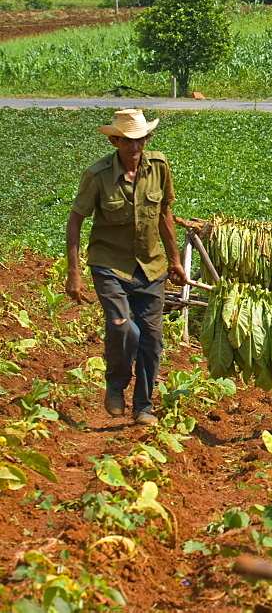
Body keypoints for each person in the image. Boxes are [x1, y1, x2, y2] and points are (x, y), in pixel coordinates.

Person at [65, 109, 187, 426]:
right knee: (122, 326)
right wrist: (74, 272)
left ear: (147, 138)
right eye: (128, 142)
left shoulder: (158, 167)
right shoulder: (98, 175)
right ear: (115, 140)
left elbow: (164, 215)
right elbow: (76, 220)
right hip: (109, 264)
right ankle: (116, 384)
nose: (134, 148)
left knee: (151, 337)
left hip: (151, 267)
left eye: (140, 140)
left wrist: (174, 260)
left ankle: (143, 407)